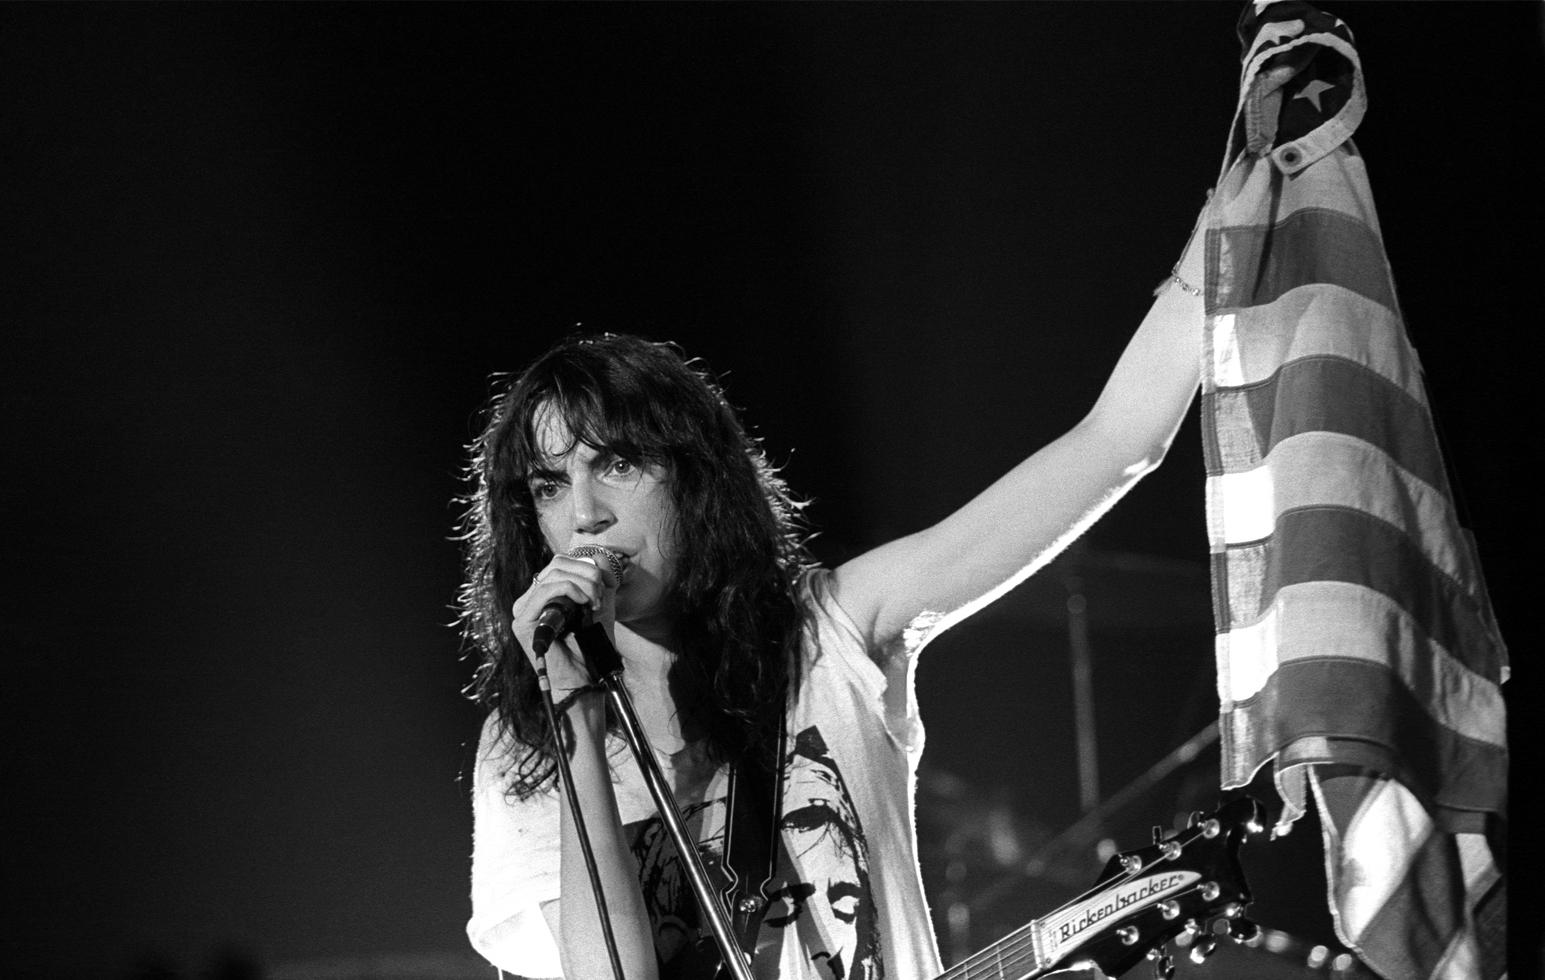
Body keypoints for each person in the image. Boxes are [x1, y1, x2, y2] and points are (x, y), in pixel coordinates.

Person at [459, 228, 1205, 980]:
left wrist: (1228, 243)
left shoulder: (828, 636)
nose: (583, 513)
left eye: (615, 464)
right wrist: (576, 719)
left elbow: (1116, 440)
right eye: (548, 485)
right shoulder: (524, 741)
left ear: (693, 479)